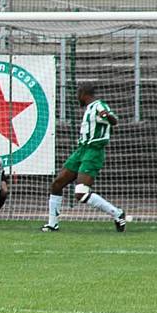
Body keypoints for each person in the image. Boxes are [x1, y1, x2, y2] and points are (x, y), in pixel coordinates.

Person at [42, 83, 126, 232]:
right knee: (57, 184)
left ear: (83, 94)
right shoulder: (89, 108)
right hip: (81, 150)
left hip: (93, 151)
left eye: (77, 94)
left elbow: (114, 120)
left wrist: (107, 116)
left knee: (81, 193)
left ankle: (117, 213)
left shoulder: (99, 106)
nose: (76, 97)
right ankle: (52, 224)